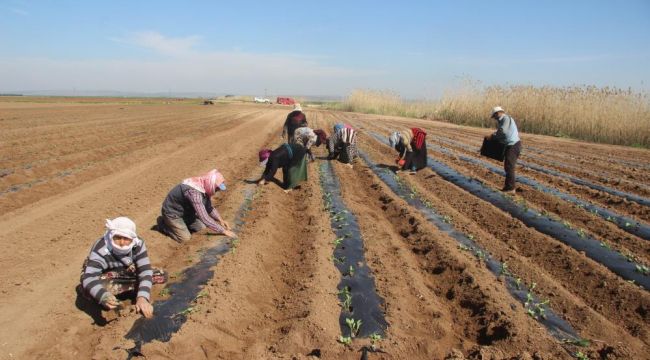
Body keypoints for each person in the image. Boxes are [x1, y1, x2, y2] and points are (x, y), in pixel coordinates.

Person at [80, 217, 166, 318]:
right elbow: (89, 277)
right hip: (105, 276)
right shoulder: (101, 248)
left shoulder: (138, 244)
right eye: (117, 238)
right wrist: (103, 296)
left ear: (132, 239)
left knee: (160, 275)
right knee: (93, 288)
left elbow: (145, 271)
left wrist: (142, 298)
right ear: (111, 235)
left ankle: (126, 290)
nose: (121, 242)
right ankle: (116, 294)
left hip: (124, 271)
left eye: (126, 239)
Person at [158, 169, 237, 243]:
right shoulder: (194, 193)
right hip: (173, 213)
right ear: (211, 183)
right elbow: (204, 217)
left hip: (186, 212)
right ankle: (164, 225)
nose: (217, 191)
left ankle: (182, 226)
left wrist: (221, 220)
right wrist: (223, 231)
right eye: (217, 188)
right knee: (185, 239)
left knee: (201, 228)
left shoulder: (204, 186)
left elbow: (208, 207)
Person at [485, 106, 521, 193]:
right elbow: (502, 132)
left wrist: (493, 136)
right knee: (508, 166)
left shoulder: (505, 118)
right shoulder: (503, 120)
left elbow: (503, 131)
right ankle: (507, 187)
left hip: (513, 145)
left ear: (497, 113)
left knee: (509, 166)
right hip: (510, 145)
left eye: (494, 116)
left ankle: (511, 188)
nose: (495, 119)